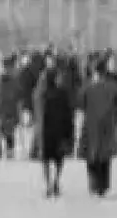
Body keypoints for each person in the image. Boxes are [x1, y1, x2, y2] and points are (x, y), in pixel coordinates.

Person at [78, 62, 117, 197]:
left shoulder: (87, 86)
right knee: (105, 156)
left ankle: (93, 184)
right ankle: (103, 186)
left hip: (90, 124)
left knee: (91, 156)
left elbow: (80, 104)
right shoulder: (113, 86)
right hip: (107, 125)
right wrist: (115, 118)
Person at [35, 67, 75, 197]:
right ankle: (56, 181)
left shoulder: (41, 95)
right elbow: (68, 114)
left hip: (45, 132)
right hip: (59, 131)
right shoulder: (62, 93)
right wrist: (70, 132)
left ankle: (48, 184)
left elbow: (38, 115)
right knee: (59, 158)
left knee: (45, 160)